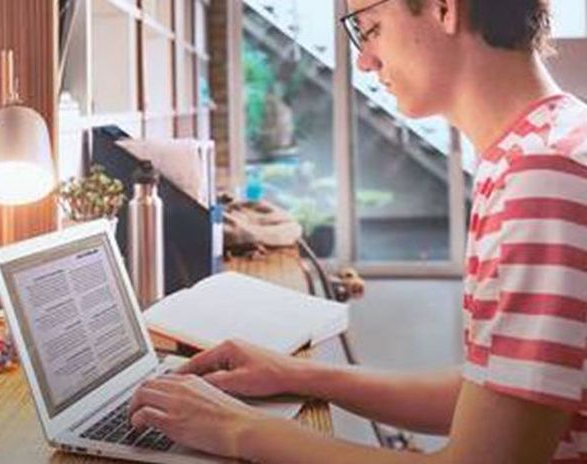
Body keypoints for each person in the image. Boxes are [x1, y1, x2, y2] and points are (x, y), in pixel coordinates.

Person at [128, 0, 587, 462]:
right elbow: (491, 394)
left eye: (368, 29)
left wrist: (234, 428)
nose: (365, 61)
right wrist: (295, 375)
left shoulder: (541, 176)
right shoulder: (540, 147)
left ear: (445, 8)